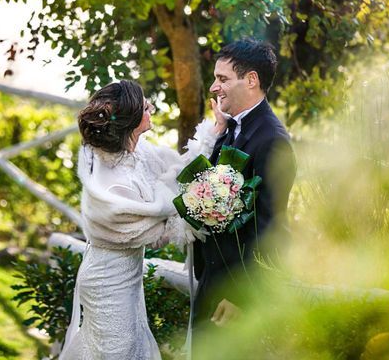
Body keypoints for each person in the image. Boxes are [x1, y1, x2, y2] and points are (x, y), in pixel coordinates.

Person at [59, 79, 218, 360]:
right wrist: (199, 210)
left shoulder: (137, 151)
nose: (152, 108)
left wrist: (212, 134)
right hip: (108, 281)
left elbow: (178, 171)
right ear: (133, 120)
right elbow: (157, 235)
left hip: (127, 276)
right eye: (147, 106)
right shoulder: (114, 187)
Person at [192, 39, 297, 355]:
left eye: (222, 79)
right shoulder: (228, 130)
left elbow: (271, 228)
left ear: (251, 80)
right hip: (210, 279)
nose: (214, 87)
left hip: (237, 295)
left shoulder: (273, 141)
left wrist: (242, 297)